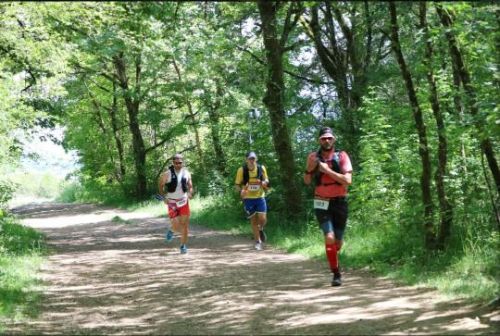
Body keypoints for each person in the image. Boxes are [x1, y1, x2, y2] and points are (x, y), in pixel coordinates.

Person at [304, 127, 352, 286]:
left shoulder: (342, 156)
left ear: (334, 139)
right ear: (319, 140)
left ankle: (332, 257)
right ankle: (336, 273)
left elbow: (347, 180)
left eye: (329, 138)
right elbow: (306, 181)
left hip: (340, 202)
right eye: (323, 138)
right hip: (321, 202)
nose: (326, 141)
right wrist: (310, 169)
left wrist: (326, 170)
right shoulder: (312, 157)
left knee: (337, 243)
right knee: (329, 237)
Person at [158, 153, 194, 254]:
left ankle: (183, 245)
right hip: (172, 202)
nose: (178, 164)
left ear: (183, 163)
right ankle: (172, 230)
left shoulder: (187, 173)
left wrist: (190, 193)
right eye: (176, 163)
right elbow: (160, 185)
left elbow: (190, 186)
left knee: (185, 225)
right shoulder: (167, 174)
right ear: (173, 163)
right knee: (176, 224)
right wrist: (164, 197)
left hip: (183, 201)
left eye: (180, 163)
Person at [234, 151, 270, 251]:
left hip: (260, 197)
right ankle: (258, 242)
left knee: (262, 219)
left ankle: (261, 228)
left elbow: (267, 181)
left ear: (256, 159)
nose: (252, 161)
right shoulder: (242, 170)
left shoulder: (261, 168)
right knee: (254, 220)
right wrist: (241, 191)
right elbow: (236, 185)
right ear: (246, 160)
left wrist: (263, 182)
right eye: (250, 159)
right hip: (248, 198)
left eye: (253, 158)